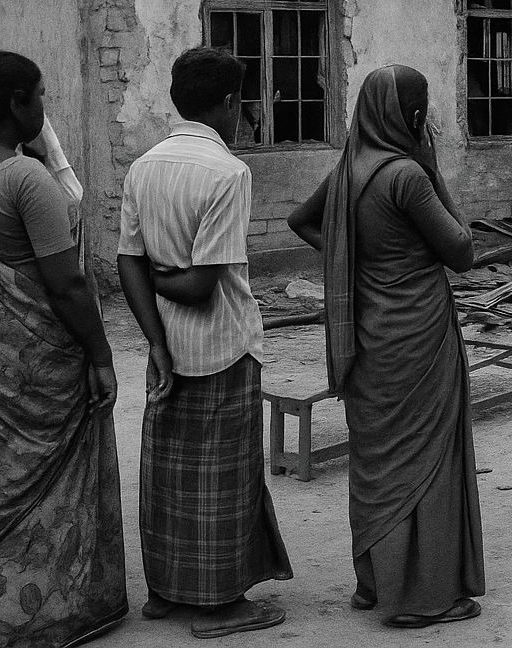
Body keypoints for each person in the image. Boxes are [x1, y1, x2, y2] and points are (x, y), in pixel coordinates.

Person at [288, 65, 485, 627]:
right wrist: (435, 171)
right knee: (424, 463)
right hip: (417, 336)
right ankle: (422, 599)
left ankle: (374, 585)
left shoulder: (352, 167)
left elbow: (301, 220)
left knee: (377, 460)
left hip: (369, 337)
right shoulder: (406, 176)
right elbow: (462, 250)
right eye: (423, 109)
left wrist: (353, 259)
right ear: (411, 116)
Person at [0, 52, 127, 647]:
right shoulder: (25, 180)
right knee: (52, 481)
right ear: (19, 104)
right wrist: (101, 356)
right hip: (40, 364)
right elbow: (67, 283)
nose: (45, 108)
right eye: (40, 96)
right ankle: (42, 614)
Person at [117, 47, 292, 637]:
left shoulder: (145, 167)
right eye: (239, 102)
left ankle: (167, 592)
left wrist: (157, 340)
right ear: (226, 104)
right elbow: (199, 284)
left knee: (169, 475)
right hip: (222, 344)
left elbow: (128, 262)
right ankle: (220, 604)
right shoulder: (228, 173)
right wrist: (169, 279)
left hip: (165, 344)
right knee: (224, 478)